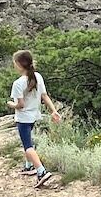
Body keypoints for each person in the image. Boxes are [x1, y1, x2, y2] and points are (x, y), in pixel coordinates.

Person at [7, 49, 61, 188]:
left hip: (23, 118)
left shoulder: (18, 83)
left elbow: (20, 105)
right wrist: (53, 111)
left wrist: (10, 104)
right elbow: (44, 96)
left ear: (19, 65)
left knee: (27, 146)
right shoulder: (37, 77)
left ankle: (41, 171)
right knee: (29, 140)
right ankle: (28, 166)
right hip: (34, 115)